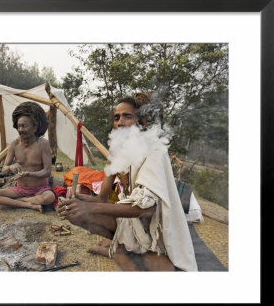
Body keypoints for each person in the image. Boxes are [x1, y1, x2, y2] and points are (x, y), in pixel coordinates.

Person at [58, 93, 198, 271]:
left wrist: (90, 208)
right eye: (116, 118)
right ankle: (121, 249)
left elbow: (147, 208)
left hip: (157, 230)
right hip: (133, 223)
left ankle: (120, 251)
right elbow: (101, 199)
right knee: (76, 214)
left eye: (127, 116)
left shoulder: (155, 150)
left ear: (143, 123)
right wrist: (78, 201)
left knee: (163, 270)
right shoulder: (119, 150)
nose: (120, 122)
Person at [0, 101, 55, 213]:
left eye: (24, 126)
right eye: (18, 126)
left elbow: (47, 171)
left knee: (49, 197)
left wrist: (29, 174)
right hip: (20, 189)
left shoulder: (43, 144)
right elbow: (4, 170)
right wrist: (10, 167)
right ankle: (30, 205)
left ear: (34, 128)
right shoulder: (14, 144)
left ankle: (17, 201)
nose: (20, 130)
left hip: (40, 189)